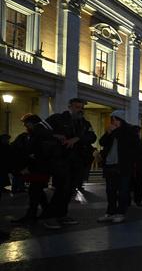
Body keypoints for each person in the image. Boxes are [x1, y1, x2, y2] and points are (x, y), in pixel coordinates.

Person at [41, 97, 97, 229]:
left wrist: (77, 138)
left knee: (70, 190)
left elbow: (92, 136)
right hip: (61, 160)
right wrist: (56, 136)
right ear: (70, 106)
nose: (80, 110)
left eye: (82, 107)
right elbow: (40, 130)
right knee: (61, 188)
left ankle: (62, 215)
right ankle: (50, 217)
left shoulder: (84, 123)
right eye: (77, 107)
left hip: (77, 161)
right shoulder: (57, 119)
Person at [10, 114, 56, 225]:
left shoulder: (39, 135)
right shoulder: (38, 134)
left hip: (39, 168)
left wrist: (30, 159)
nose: (25, 125)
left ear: (32, 123)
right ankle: (46, 213)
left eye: (26, 123)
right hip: (39, 168)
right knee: (38, 192)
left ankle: (32, 215)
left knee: (34, 192)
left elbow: (38, 152)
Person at [97, 111, 138, 224]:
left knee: (123, 191)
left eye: (114, 119)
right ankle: (110, 212)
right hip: (110, 165)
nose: (112, 122)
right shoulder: (112, 131)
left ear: (119, 119)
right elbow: (102, 142)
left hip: (123, 166)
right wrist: (108, 133)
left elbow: (132, 145)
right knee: (110, 191)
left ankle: (121, 213)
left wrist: (116, 131)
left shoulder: (129, 130)